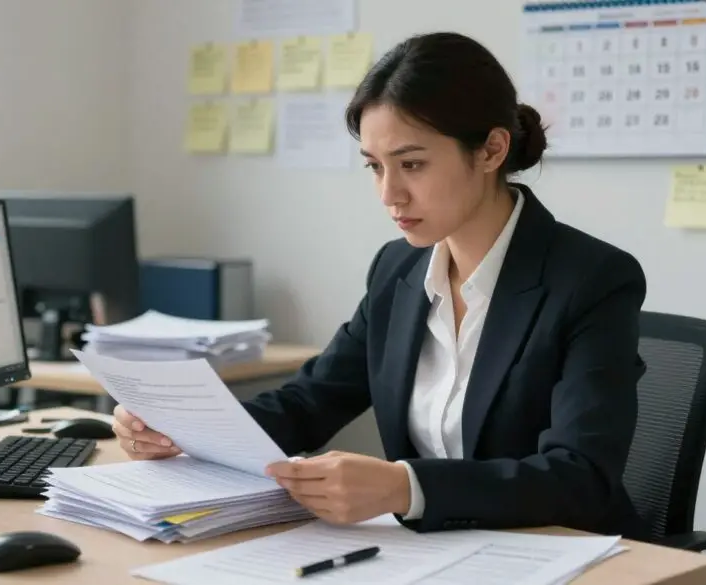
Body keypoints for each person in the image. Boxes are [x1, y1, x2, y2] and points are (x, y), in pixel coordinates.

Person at [112, 31, 648, 540]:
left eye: (411, 164)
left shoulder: (592, 279)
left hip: (563, 555)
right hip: (429, 553)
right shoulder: (398, 270)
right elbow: (311, 401)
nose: (390, 195)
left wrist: (405, 487)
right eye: (374, 167)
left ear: (490, 151)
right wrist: (181, 429)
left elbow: (580, 476)